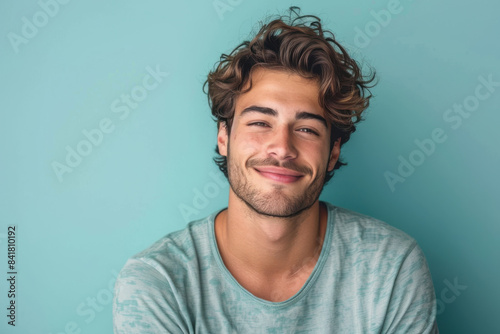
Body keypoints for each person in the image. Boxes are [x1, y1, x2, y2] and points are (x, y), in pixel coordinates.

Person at [113, 7, 438, 333]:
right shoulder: (158, 282)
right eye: (259, 122)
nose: (282, 147)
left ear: (333, 151)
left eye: (307, 129)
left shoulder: (391, 267)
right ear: (224, 137)